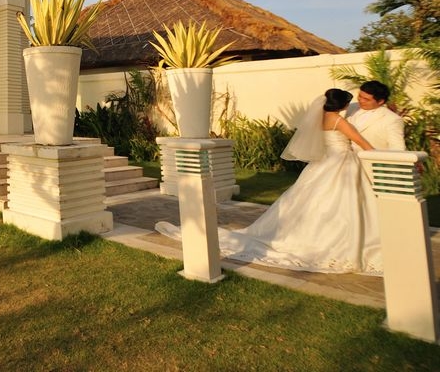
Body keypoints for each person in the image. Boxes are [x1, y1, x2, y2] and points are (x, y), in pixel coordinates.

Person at [156, 88, 382, 274]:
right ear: (342, 106)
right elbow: (362, 143)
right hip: (342, 163)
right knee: (343, 204)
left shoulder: (319, 119)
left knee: (310, 202)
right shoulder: (340, 122)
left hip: (323, 165)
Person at [346, 80, 405, 151]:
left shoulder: (392, 119)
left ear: (380, 101)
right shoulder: (349, 107)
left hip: (370, 157)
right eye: (360, 96)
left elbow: (397, 148)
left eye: (366, 99)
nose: (361, 100)